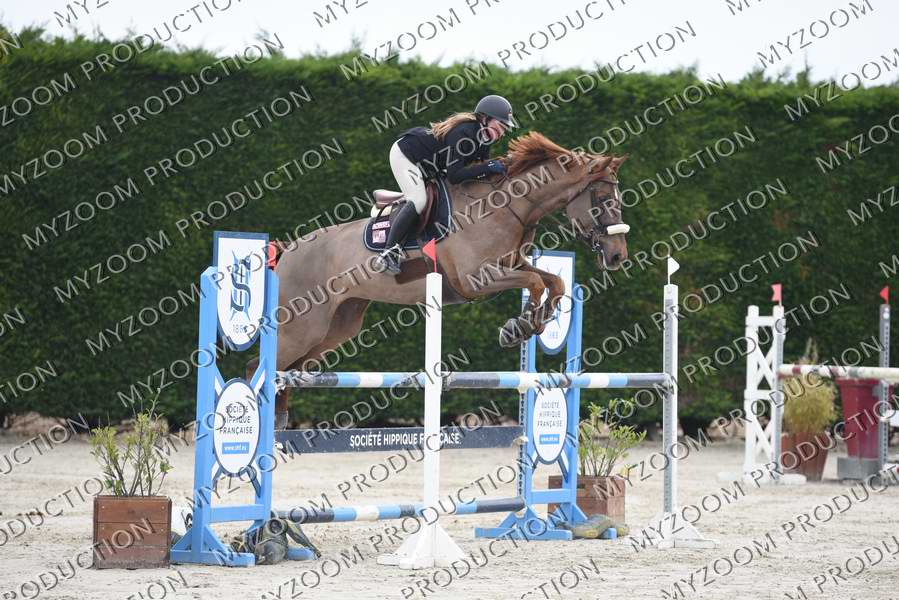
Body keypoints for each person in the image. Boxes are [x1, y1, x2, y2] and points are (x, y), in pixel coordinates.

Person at [375, 94, 516, 274]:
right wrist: (488, 167)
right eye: (501, 125)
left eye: (505, 128)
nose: (503, 132)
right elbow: (455, 176)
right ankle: (388, 253)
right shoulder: (463, 133)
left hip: (429, 165)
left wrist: (503, 166)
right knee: (419, 200)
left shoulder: (484, 139)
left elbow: (478, 170)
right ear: (484, 118)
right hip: (406, 155)